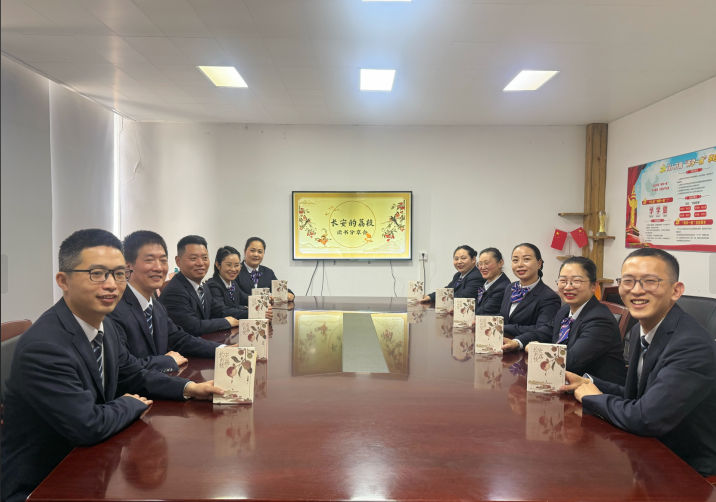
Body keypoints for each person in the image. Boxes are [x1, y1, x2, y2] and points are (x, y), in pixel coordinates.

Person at [0, 229, 223, 502]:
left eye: (118, 274)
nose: (111, 285)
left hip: (88, 466)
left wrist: (190, 388)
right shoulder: (45, 346)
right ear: (63, 281)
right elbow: (88, 425)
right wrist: (130, 403)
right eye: (97, 273)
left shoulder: (104, 326)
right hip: (42, 482)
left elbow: (134, 375)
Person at [562, 248, 716, 477]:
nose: (636, 290)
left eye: (650, 281)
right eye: (628, 281)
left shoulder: (692, 345)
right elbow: (638, 396)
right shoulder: (639, 330)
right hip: (648, 447)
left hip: (686, 465)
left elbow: (646, 417)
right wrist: (589, 382)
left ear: (676, 290)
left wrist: (592, 398)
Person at [108, 231, 224, 373]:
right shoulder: (114, 308)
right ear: (128, 266)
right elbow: (122, 367)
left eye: (163, 260)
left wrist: (223, 350)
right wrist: (168, 361)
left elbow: (179, 339)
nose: (159, 267)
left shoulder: (157, 307)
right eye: (149, 260)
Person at [503, 257, 626, 385]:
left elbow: (571, 360)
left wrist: (537, 350)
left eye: (576, 281)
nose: (568, 287)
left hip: (597, 391)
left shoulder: (600, 319)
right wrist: (516, 342)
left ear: (594, 286)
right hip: (562, 381)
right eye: (563, 281)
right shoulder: (565, 310)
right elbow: (545, 331)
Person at [160, 235, 247, 336]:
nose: (201, 263)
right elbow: (193, 326)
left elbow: (220, 311)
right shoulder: (174, 291)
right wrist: (226, 322)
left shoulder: (203, 287)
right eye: (193, 258)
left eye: (205, 258)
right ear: (178, 261)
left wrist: (254, 313)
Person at [499, 243, 560, 338]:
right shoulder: (510, 287)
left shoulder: (549, 297)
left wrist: (505, 328)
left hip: (525, 345)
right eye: (515, 260)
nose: (520, 264)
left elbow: (543, 329)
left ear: (539, 263)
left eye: (526, 259)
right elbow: (504, 316)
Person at [207, 245, 273, 319]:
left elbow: (245, 298)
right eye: (229, 265)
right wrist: (254, 312)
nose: (233, 269)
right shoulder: (213, 285)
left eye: (236, 265)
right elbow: (223, 311)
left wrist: (265, 301)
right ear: (218, 265)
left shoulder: (233, 283)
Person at [420, 245, 485, 304]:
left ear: (473, 259)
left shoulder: (477, 277)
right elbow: (448, 290)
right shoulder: (458, 275)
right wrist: (430, 297)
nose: (459, 262)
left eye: (463, 258)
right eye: (456, 259)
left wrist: (441, 299)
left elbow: (463, 298)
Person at [237, 237, 294, 301]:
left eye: (260, 252)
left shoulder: (268, 273)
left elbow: (279, 289)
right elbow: (237, 295)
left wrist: (289, 294)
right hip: (242, 307)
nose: (256, 254)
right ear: (245, 252)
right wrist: (259, 299)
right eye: (252, 251)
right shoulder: (236, 271)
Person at [474, 247, 510, 316]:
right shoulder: (485, 283)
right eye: (480, 264)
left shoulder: (502, 287)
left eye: (487, 263)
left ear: (500, 263)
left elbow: (484, 311)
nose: (483, 267)